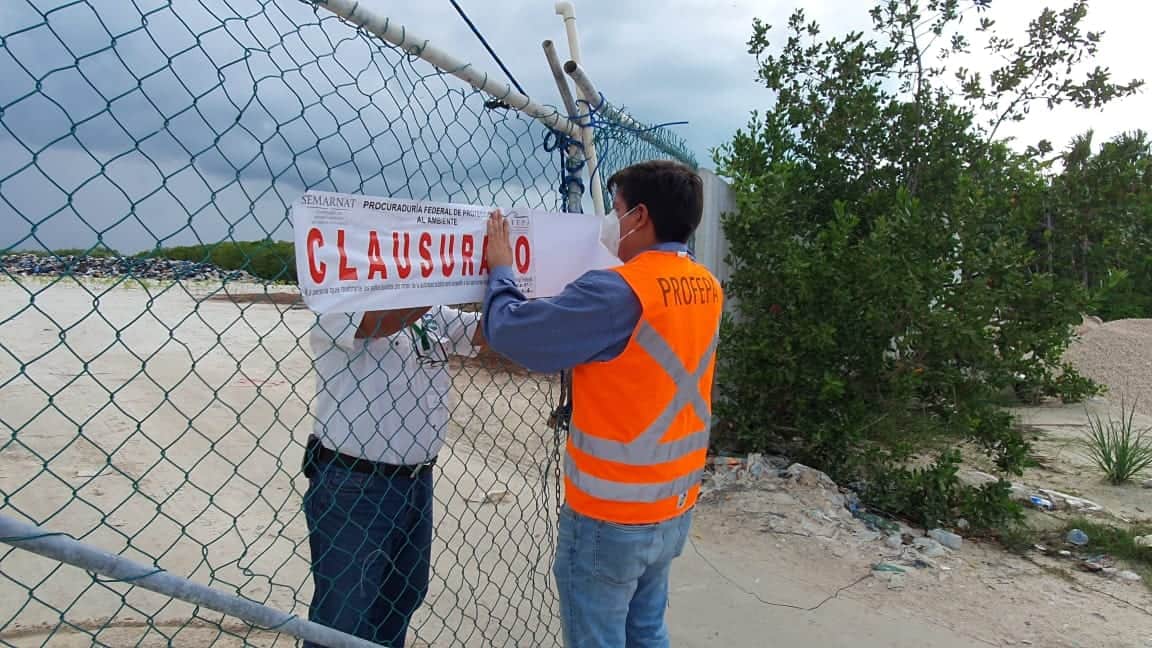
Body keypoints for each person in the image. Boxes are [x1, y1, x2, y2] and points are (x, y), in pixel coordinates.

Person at [482, 160, 723, 648]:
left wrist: (500, 269)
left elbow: (513, 332)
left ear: (638, 217)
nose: (608, 224)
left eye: (613, 210)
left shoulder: (618, 292)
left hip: (610, 518)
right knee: (647, 630)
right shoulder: (705, 285)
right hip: (673, 504)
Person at [302, 305, 484, 647]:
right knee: (343, 615)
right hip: (354, 485)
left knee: (401, 597)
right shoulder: (338, 302)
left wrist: (522, 285)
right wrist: (440, 279)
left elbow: (483, 332)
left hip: (416, 482)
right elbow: (381, 323)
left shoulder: (431, 311)